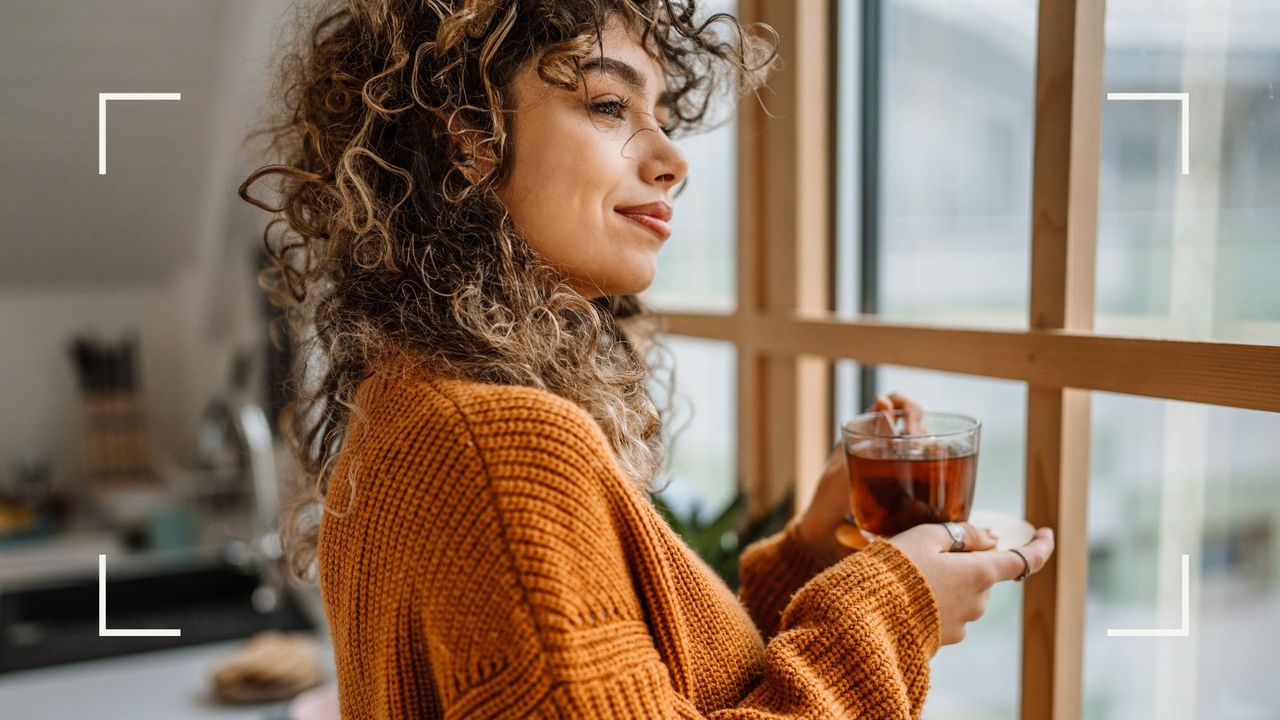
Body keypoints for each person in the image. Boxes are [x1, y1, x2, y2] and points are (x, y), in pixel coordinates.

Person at [239, 1, 1056, 717]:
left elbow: (639, 689)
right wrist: (892, 612)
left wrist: (807, 553)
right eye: (607, 103)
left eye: (662, 114)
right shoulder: (496, 447)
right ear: (472, 143)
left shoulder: (417, 405)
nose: (673, 158)